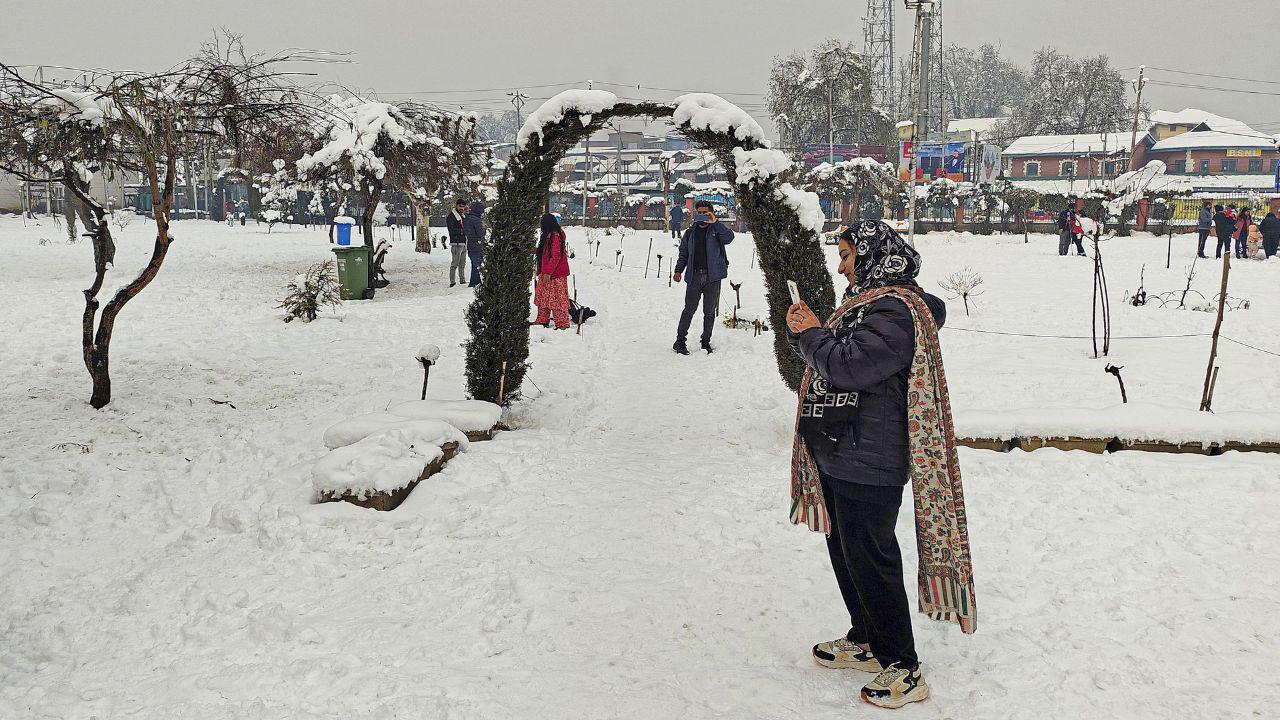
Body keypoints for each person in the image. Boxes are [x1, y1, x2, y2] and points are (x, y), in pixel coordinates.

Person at [785, 220, 974, 710]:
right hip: (841, 448)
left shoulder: (896, 312)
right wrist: (818, 334)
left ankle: (904, 666)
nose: (841, 264)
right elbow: (842, 357)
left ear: (874, 256)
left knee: (872, 557)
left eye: (848, 254)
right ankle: (866, 639)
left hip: (870, 458)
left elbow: (850, 366)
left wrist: (810, 335)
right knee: (847, 551)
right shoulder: (869, 304)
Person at [672, 200, 734, 354]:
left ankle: (705, 342)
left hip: (712, 278)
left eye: (705, 213)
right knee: (689, 310)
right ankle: (680, 342)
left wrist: (716, 222)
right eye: (699, 212)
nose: (702, 215)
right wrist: (678, 270)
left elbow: (729, 238)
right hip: (694, 277)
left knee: (709, 312)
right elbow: (683, 254)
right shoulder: (690, 233)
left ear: (711, 213)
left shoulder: (716, 230)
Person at [532, 213, 572, 329]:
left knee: (557, 299)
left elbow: (556, 256)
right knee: (543, 297)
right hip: (546, 272)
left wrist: (548, 272)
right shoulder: (549, 234)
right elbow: (544, 251)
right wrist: (534, 250)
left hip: (555, 273)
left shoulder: (555, 236)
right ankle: (542, 320)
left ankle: (562, 324)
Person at [445, 198, 468, 287]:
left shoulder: (463, 216)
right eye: (460, 206)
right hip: (456, 242)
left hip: (464, 242)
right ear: (456, 205)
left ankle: (462, 279)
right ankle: (452, 282)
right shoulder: (451, 216)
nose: (461, 208)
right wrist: (462, 231)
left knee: (463, 263)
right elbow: (451, 229)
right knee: (455, 263)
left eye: (463, 206)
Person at [463, 200, 486, 287]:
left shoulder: (467, 218)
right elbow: (481, 233)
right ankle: (474, 282)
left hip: (470, 244)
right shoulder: (477, 220)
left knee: (474, 263)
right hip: (477, 244)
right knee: (477, 265)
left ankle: (476, 281)